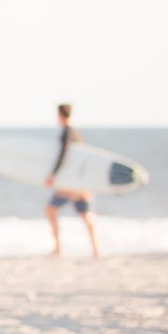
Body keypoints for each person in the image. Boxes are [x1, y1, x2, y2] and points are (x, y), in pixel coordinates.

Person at [46, 103, 102, 258]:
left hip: (69, 185)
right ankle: (96, 249)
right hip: (80, 183)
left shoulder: (67, 132)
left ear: (59, 115)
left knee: (51, 209)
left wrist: (53, 175)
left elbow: (63, 155)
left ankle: (58, 247)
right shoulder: (77, 133)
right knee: (86, 215)